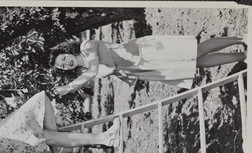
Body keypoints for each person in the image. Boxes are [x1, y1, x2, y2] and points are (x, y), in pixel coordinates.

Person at [50, 36, 247, 95]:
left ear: (66, 51)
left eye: (63, 59)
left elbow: (99, 69)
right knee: (196, 64)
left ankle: (241, 38)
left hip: (145, 52)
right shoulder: (85, 71)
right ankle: (243, 56)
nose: (66, 63)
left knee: (194, 51)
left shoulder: (87, 46)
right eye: (64, 67)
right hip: (142, 67)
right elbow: (107, 70)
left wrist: (68, 88)